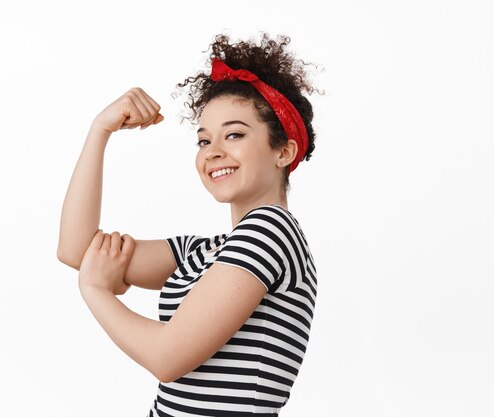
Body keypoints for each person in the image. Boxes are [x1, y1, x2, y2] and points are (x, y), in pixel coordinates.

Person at [57, 33, 318, 416]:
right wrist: (100, 131)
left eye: (234, 134)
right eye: (203, 140)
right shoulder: (205, 251)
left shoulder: (270, 232)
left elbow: (168, 358)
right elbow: (77, 250)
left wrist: (97, 291)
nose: (212, 151)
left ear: (283, 151)